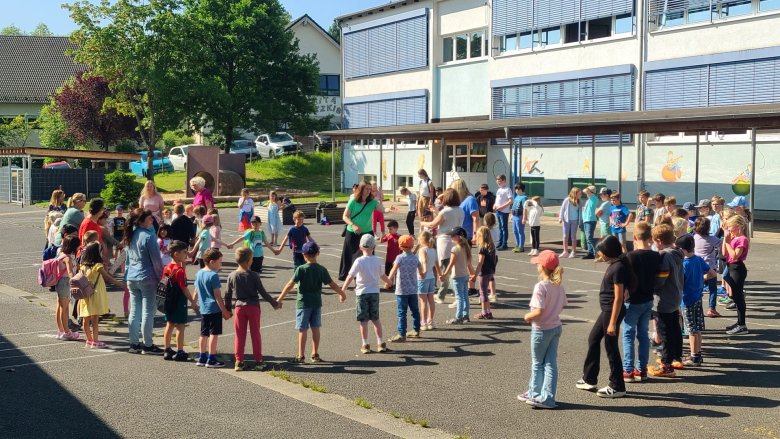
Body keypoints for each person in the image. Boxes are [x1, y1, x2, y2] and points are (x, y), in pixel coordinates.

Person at [576, 235, 631, 398]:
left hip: (611, 311)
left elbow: (619, 298)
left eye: (601, 251)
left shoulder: (618, 267)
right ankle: (589, 378)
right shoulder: (615, 263)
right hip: (606, 310)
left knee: (611, 347)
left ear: (608, 252)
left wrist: (613, 322)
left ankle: (617, 386)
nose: (599, 254)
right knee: (593, 339)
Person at [277, 242, 346, 363]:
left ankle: (301, 356)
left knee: (302, 329)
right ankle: (315, 354)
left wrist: (280, 298)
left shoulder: (301, 269)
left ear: (304, 255)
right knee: (315, 328)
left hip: (303, 303)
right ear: (318, 253)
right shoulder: (321, 269)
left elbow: (290, 285)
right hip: (316, 303)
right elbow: (332, 284)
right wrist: (342, 293)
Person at [519, 250, 567, 409]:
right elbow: (562, 304)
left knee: (537, 363)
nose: (537, 265)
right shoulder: (558, 286)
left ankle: (535, 393)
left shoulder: (541, 286)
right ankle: (546, 396)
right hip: (555, 326)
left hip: (541, 329)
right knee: (550, 363)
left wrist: (527, 316)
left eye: (538, 263)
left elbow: (538, 310)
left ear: (543, 267)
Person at [226, 247, 280, 371]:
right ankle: (259, 361)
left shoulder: (232, 275)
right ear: (248, 261)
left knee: (239, 335)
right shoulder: (254, 275)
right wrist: (274, 303)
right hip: (253, 307)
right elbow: (263, 292)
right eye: (251, 259)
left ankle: (239, 361)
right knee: (255, 334)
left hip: (239, 307)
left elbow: (228, 294)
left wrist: (228, 309)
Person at [622, 222, 661, 383]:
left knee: (628, 334)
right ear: (650, 238)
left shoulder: (630, 257)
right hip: (648, 298)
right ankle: (642, 369)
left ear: (634, 237)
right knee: (643, 334)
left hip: (632, 300)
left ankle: (628, 370)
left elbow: (625, 278)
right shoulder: (655, 256)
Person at [123, 208, 165, 355]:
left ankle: (134, 343)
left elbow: (127, 260)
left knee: (135, 311)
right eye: (149, 219)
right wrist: (161, 277)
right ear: (141, 221)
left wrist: (126, 275)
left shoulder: (130, 234)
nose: (152, 220)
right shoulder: (148, 236)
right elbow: (156, 260)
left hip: (132, 277)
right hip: (147, 277)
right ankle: (148, 344)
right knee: (148, 312)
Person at [341, 235, 391, 353]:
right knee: (376, 319)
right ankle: (380, 343)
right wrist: (389, 282)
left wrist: (342, 290)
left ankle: (365, 344)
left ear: (360, 247)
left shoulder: (359, 261)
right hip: (374, 293)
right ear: (374, 247)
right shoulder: (378, 260)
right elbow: (382, 275)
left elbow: (350, 276)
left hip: (362, 293)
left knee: (363, 321)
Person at [648, 224, 684, 377]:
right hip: (675, 296)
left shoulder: (664, 256)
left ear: (658, 241)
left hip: (664, 299)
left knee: (665, 333)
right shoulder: (677, 253)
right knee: (675, 328)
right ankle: (676, 357)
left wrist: (650, 286)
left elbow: (660, 280)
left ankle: (666, 365)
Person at [676, 234, 716, 366]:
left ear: (682, 249)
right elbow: (712, 273)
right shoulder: (698, 259)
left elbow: (680, 283)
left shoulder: (683, 264)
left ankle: (694, 357)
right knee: (697, 328)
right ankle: (697, 354)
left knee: (691, 329)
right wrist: (701, 278)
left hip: (686, 300)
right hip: (697, 298)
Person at [78, 242, 126, 348]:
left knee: (86, 318)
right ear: (97, 253)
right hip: (95, 294)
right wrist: (120, 284)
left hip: (85, 295)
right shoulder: (97, 266)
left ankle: (89, 340)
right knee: (95, 319)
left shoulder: (82, 266)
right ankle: (95, 341)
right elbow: (108, 277)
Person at [420, 189, 463, 305]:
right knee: (454, 269)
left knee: (446, 270)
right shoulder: (460, 210)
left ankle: (452, 296)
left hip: (445, 241)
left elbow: (432, 224)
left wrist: (422, 223)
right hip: (457, 240)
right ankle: (447, 295)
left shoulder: (445, 211)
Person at [161, 240, 199, 362]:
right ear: (176, 254)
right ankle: (180, 351)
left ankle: (167, 349)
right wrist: (192, 301)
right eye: (184, 252)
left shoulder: (167, 267)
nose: (186, 254)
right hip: (179, 301)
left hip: (169, 300)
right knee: (180, 326)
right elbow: (184, 288)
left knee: (169, 324)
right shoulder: (180, 271)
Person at [193, 248, 231, 368]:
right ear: (212, 262)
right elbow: (218, 296)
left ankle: (202, 357)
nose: (221, 265)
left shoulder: (199, 273)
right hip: (214, 309)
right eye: (219, 262)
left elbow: (196, 290)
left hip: (204, 308)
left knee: (203, 333)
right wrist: (225, 311)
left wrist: (193, 303)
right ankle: (211, 358)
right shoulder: (213, 275)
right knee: (214, 333)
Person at [339, 181, 382, 281]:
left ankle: (365, 277)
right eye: (366, 189)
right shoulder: (353, 200)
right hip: (352, 233)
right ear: (361, 189)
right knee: (351, 256)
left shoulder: (372, 202)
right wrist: (353, 225)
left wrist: (389, 209)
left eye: (370, 189)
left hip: (367, 233)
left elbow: (382, 210)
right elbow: (345, 216)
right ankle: (349, 277)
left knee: (367, 256)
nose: (368, 191)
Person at [385, 235, 423, 342]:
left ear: (400, 246)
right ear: (412, 246)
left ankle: (402, 334)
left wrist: (388, 281)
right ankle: (416, 330)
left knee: (402, 312)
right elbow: (421, 271)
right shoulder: (415, 258)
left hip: (402, 290)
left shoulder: (399, 258)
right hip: (413, 289)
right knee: (415, 311)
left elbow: (393, 270)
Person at [440, 227, 474, 324]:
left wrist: (444, 274)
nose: (451, 237)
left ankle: (458, 317)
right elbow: (469, 264)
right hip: (464, 275)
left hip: (457, 276)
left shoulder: (455, 249)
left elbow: (451, 264)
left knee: (459, 297)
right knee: (465, 297)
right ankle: (466, 315)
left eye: (453, 235)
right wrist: (472, 274)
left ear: (459, 237)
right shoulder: (466, 248)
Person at [722, 214, 750, 335]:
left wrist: (728, 242)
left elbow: (735, 256)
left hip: (737, 268)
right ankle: (739, 322)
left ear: (737, 226)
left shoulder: (742, 239)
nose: (728, 228)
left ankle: (742, 325)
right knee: (736, 296)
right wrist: (725, 239)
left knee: (738, 297)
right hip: (731, 267)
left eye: (730, 226)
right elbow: (724, 253)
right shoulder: (733, 237)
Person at [693, 217, 722, 317]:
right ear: (708, 228)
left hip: (698, 266)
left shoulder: (695, 237)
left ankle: (698, 308)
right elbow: (721, 244)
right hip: (710, 267)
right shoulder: (712, 239)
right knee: (712, 289)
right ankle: (711, 308)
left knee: (698, 289)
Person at [54, 236, 81, 341]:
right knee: (64, 308)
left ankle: (60, 330)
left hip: (60, 282)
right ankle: (67, 332)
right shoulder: (68, 257)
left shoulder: (61, 254)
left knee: (59, 307)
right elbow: (70, 272)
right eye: (78, 245)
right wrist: (74, 283)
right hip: (65, 282)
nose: (79, 247)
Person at [471, 226, 497, 320]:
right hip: (490, 271)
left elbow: (480, 263)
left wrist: (475, 275)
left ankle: (484, 312)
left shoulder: (482, 248)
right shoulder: (491, 246)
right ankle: (488, 311)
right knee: (485, 292)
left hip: (484, 272)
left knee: (482, 292)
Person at [416, 230, 440, 331]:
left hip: (423, 278)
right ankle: (431, 320)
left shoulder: (422, 250)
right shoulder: (433, 250)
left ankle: (424, 322)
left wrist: (424, 271)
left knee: (423, 302)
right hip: (431, 277)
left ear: (421, 240)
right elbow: (437, 264)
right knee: (431, 300)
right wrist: (440, 274)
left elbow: (424, 261)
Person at [451, 179, 479, 244]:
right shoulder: (460, 200)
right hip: (457, 235)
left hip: (466, 236)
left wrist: (475, 235)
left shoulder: (470, 200)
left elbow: (476, 219)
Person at [558, 187, 582, 258]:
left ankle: (573, 252)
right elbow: (562, 209)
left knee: (573, 236)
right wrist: (560, 218)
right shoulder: (567, 200)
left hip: (575, 220)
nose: (580, 195)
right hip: (566, 220)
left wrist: (580, 222)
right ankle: (565, 251)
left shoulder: (579, 202)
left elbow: (580, 212)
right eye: (579, 194)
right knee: (565, 236)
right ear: (575, 193)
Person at [493, 174, 513, 251]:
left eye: (500, 181)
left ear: (504, 181)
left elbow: (510, 200)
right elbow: (497, 200)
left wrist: (502, 207)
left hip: (504, 211)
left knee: (504, 227)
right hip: (498, 211)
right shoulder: (499, 190)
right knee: (500, 227)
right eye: (497, 181)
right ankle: (500, 242)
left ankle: (504, 244)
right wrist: (494, 205)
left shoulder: (507, 189)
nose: (498, 183)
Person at [580, 186, 599, 260]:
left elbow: (584, 190)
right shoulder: (589, 200)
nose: (586, 194)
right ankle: (590, 253)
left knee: (589, 238)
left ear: (591, 192)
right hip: (586, 220)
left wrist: (588, 190)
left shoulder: (593, 198)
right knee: (588, 238)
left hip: (590, 220)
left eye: (588, 192)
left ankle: (597, 252)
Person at [511, 183, 528, 253]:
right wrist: (512, 215)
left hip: (519, 216)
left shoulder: (524, 197)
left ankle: (521, 246)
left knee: (520, 231)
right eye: (515, 189)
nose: (516, 191)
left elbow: (525, 208)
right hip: (514, 216)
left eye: (518, 189)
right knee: (515, 231)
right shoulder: (517, 196)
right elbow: (514, 206)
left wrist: (524, 218)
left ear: (521, 189)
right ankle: (517, 244)